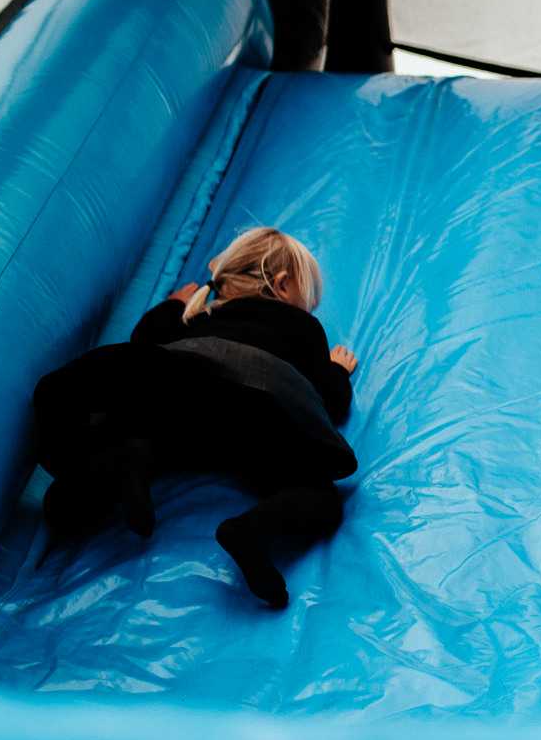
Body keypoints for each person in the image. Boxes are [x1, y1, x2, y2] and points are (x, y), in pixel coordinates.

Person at [31, 227, 359, 609]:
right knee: (322, 497)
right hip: (256, 422)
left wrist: (172, 305)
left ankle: (111, 466)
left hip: (183, 409)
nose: (311, 309)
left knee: (70, 404)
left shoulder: (198, 316)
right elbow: (329, 402)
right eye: (309, 298)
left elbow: (144, 342)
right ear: (283, 286)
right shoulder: (303, 326)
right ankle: (251, 531)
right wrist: (336, 371)